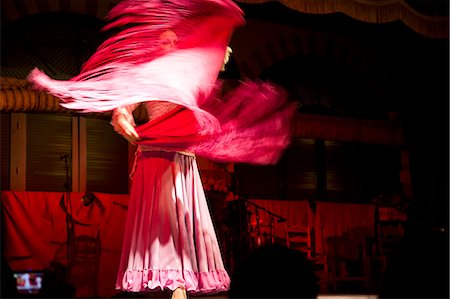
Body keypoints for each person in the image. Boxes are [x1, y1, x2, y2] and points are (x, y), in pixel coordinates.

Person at [27, 0, 296, 298]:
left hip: (181, 155)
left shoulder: (189, 71)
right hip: (155, 156)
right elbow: (125, 104)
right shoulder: (149, 75)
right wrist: (122, 117)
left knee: (182, 219)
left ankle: (179, 283)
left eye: (172, 40)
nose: (168, 43)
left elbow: (207, 71)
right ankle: (170, 283)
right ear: (156, 45)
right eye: (163, 40)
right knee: (161, 222)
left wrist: (219, 47)